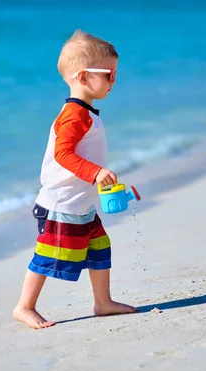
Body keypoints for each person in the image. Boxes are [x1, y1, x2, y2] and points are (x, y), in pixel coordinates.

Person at [13, 29, 136, 329]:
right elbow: (62, 154)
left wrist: (97, 180)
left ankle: (103, 302)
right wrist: (95, 172)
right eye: (108, 74)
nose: (113, 81)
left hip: (81, 203)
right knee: (48, 255)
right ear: (83, 77)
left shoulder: (87, 112)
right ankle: (24, 307)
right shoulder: (73, 115)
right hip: (61, 204)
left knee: (99, 248)